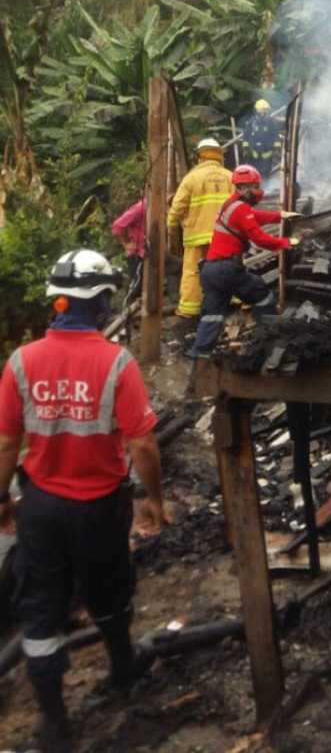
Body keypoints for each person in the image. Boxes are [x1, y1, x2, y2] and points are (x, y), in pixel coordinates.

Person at [0, 250, 167, 752]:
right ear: (101, 301)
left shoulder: (21, 362)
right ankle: (122, 667)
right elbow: (142, 444)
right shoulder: (117, 362)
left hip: (41, 506)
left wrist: (1, 501)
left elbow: (7, 443)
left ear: (57, 301)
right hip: (99, 506)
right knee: (110, 590)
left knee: (41, 608)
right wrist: (154, 498)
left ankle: (54, 722)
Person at [190, 164, 300, 358]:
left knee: (212, 314)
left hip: (210, 270)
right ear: (241, 188)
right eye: (253, 186)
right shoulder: (240, 208)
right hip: (226, 269)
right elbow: (260, 239)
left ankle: (200, 354)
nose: (257, 191)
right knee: (261, 294)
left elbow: (255, 216)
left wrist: (280, 216)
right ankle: (268, 340)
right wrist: (286, 243)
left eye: (257, 185)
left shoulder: (231, 204)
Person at [166, 138, 232, 325]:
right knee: (230, 267)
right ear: (219, 154)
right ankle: (236, 300)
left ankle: (189, 309)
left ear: (200, 156)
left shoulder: (191, 178)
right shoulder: (230, 176)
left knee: (193, 271)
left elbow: (178, 206)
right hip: (225, 235)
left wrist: (171, 223)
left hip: (197, 234)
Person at [242, 99, 283, 180]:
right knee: (253, 172)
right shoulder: (252, 122)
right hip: (254, 152)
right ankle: (255, 186)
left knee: (265, 173)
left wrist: (277, 149)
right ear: (257, 110)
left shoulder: (271, 122)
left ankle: (264, 187)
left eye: (265, 110)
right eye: (261, 110)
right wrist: (246, 148)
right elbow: (246, 135)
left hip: (267, 152)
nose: (263, 112)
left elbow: (276, 135)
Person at [111, 196, 146, 283]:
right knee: (136, 288)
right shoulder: (141, 207)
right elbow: (117, 225)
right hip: (138, 255)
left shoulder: (160, 206)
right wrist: (126, 244)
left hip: (149, 252)